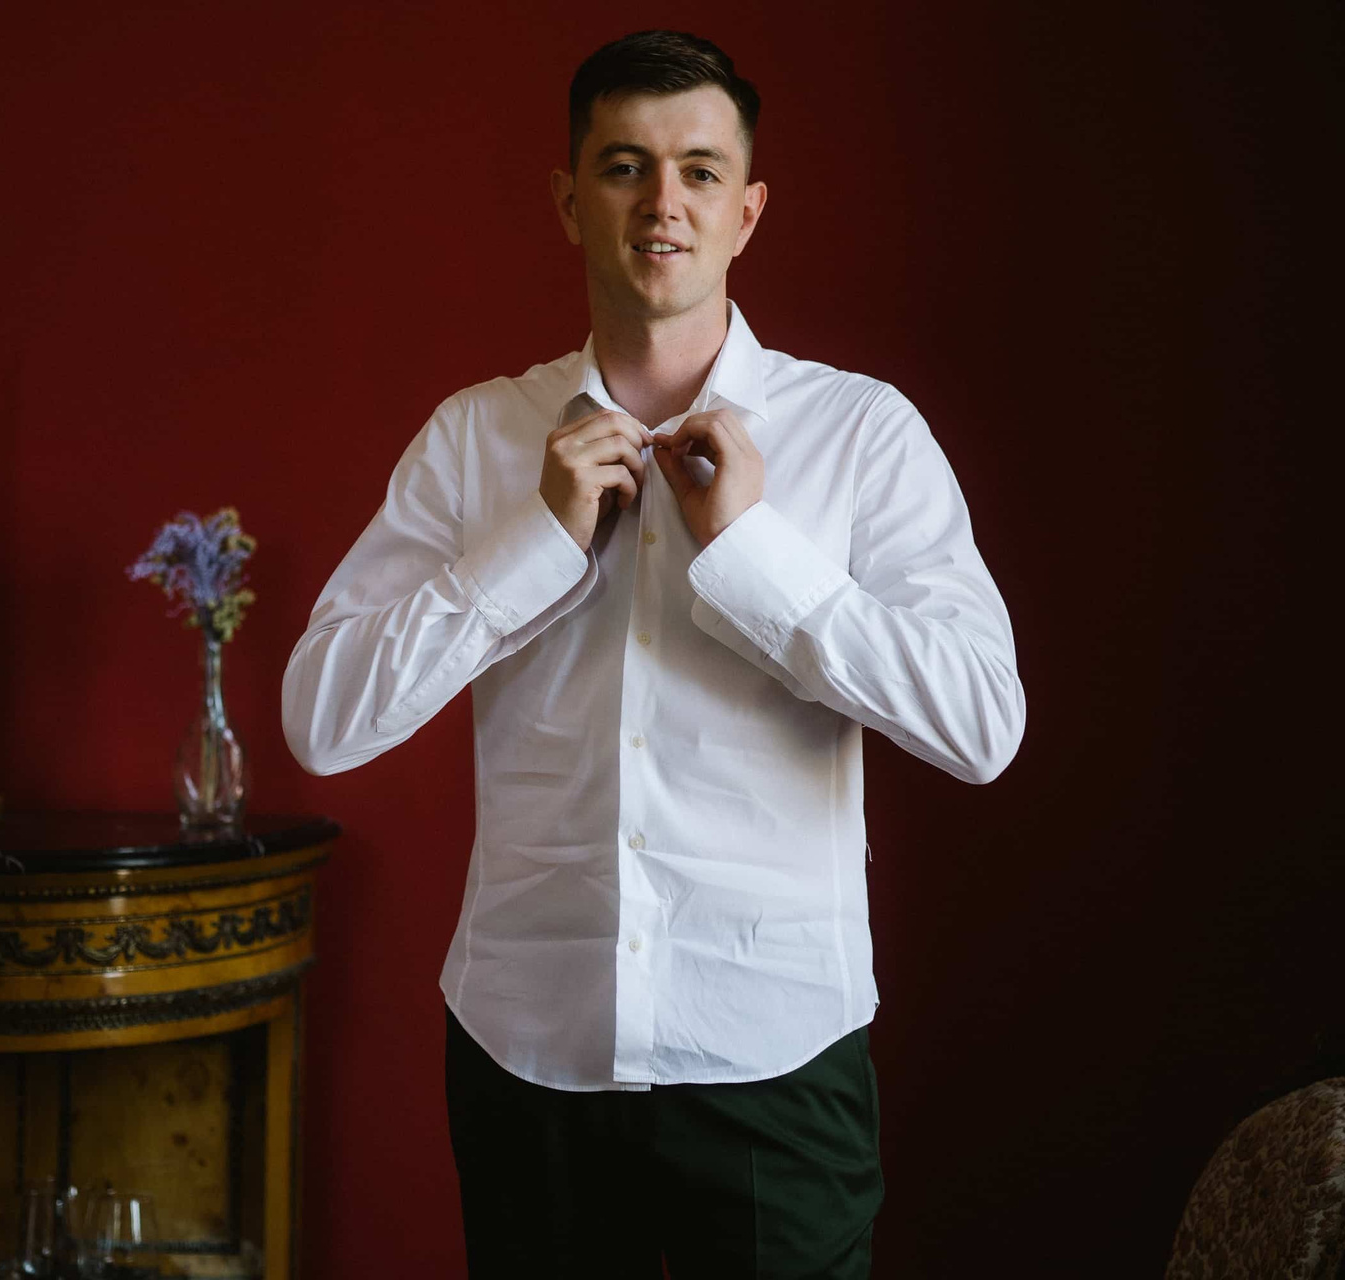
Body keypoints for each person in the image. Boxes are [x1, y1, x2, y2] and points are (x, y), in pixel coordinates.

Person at [282, 29, 1025, 1279]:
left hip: (775, 1053)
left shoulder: (864, 434)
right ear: (569, 201)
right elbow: (323, 718)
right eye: (624, 166)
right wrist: (530, 543)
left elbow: (980, 722)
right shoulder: (475, 439)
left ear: (748, 210)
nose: (662, 201)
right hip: (529, 1052)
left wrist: (755, 551)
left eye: (698, 170)